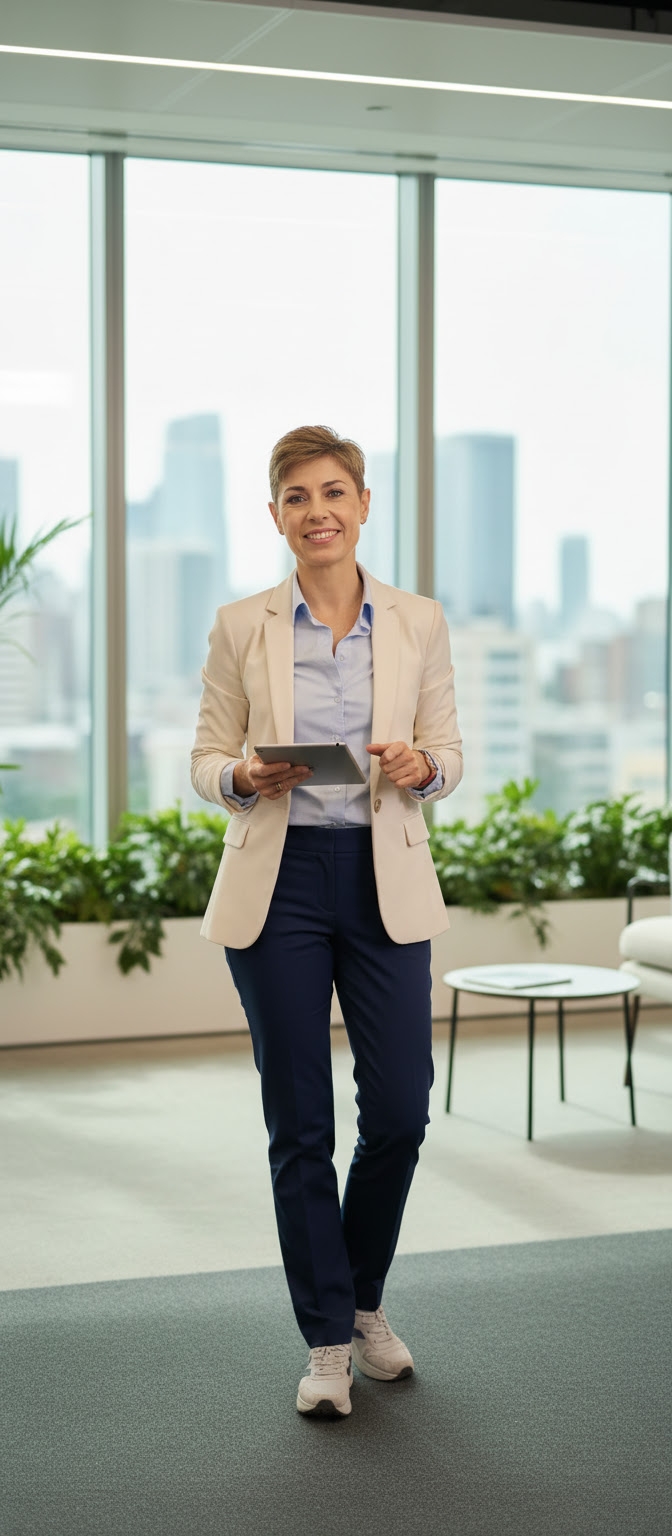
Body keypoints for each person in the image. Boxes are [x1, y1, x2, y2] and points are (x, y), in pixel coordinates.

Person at [191, 424, 462, 1418]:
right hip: (283, 878)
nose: (319, 511)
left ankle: (362, 1296)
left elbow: (448, 749)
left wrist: (421, 768)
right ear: (276, 516)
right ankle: (326, 1341)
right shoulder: (241, 625)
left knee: (398, 1111)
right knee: (298, 1121)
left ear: (362, 503)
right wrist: (242, 776)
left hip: (383, 872)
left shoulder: (417, 621)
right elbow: (205, 754)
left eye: (335, 491)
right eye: (298, 496)